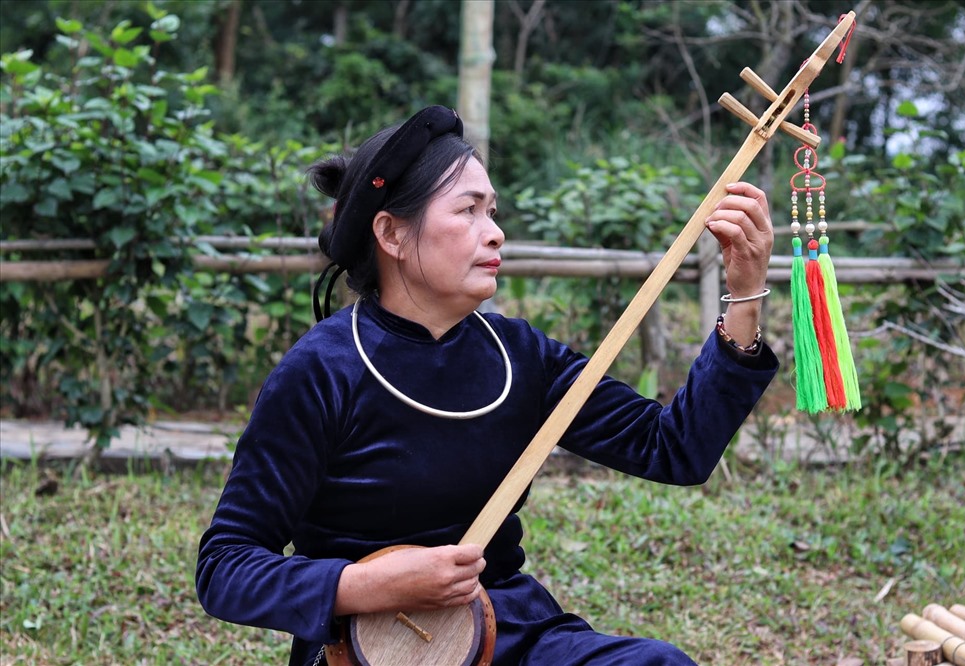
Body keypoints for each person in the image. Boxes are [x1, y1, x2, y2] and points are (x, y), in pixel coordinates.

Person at [196, 105, 778, 666]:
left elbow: (674, 449)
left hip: (507, 627)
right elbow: (226, 567)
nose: (495, 234)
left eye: (493, 211)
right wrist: (368, 583)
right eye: (469, 211)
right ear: (391, 234)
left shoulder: (517, 355)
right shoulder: (322, 370)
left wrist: (745, 296)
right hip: (368, 648)